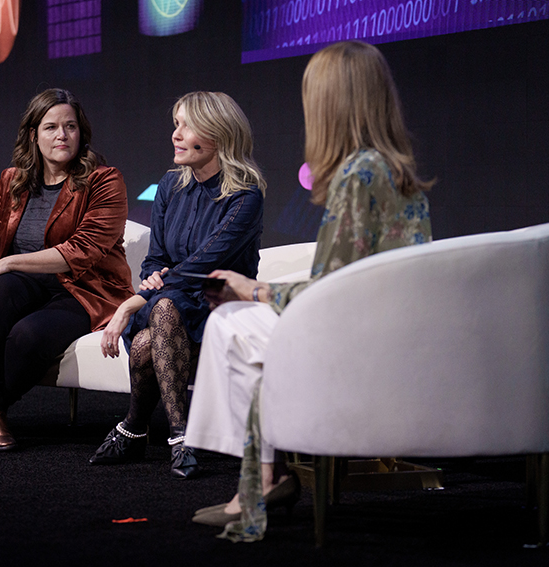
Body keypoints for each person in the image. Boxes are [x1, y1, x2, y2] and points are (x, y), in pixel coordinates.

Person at [185, 41, 434, 539]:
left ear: (328, 104)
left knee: (230, 323)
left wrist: (251, 292)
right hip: (394, 338)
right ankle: (262, 477)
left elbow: (331, 296)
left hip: (363, 350)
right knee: (242, 328)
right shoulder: (393, 171)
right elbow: (347, 282)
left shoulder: (358, 175)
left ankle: (257, 482)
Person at [0, 88, 135, 451]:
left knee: (28, 336)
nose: (61, 135)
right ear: (34, 134)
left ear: (81, 133)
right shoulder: (12, 180)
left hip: (84, 290)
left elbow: (83, 251)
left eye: (70, 126)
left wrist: (6, 264)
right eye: (50, 127)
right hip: (26, 288)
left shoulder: (104, 180)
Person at [88, 91, 265, 479]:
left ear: (218, 134)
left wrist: (132, 302)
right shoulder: (170, 186)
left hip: (221, 302)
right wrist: (152, 278)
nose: (175, 135)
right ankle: (179, 437)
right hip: (172, 298)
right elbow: (158, 259)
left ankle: (137, 428)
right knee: (165, 311)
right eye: (175, 125)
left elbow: (204, 266)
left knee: (151, 332)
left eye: (186, 126)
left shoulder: (245, 196)